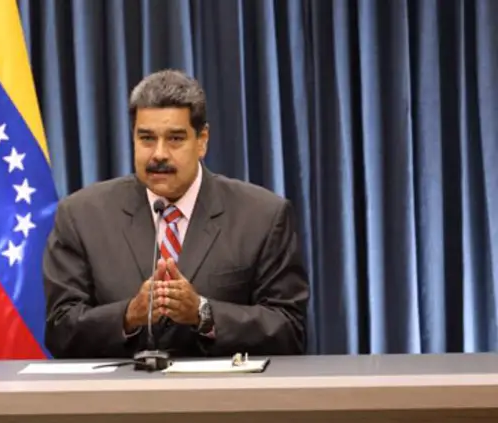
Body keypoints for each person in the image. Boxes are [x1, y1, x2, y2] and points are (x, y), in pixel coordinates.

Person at [42, 69, 309, 359]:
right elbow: (60, 330)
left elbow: (289, 330)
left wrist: (203, 314)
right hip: (122, 387)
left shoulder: (262, 216)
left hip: (220, 388)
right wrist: (130, 315)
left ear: (202, 140)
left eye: (175, 139)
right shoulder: (81, 216)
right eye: (146, 138)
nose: (159, 154)